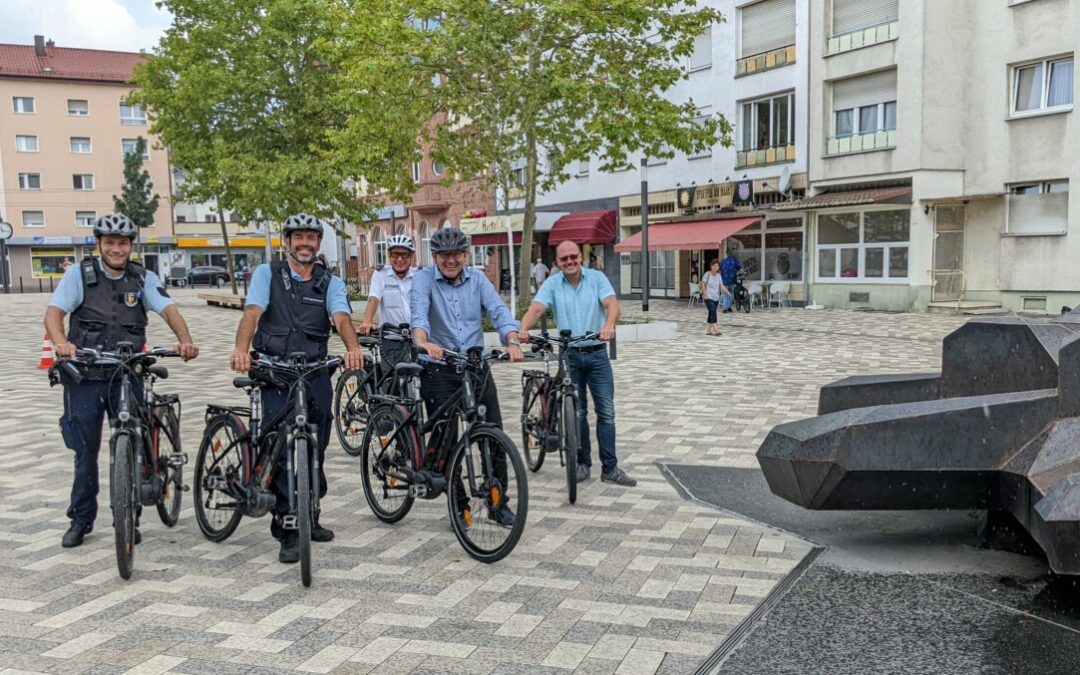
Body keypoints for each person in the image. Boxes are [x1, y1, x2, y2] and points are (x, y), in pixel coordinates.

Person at [45, 213, 200, 548]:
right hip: (86, 373)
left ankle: (127, 517)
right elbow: (54, 313)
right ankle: (81, 519)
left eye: (123, 243)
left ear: (131, 246)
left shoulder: (142, 277)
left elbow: (168, 309)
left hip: (127, 372)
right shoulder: (79, 275)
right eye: (110, 242)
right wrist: (62, 344)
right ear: (99, 244)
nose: (117, 249)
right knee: (85, 451)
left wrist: (185, 339)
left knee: (132, 443)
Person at [230, 213, 364, 563]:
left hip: (315, 371)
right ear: (287, 241)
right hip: (276, 372)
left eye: (311, 238)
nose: (305, 244)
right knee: (283, 449)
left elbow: (341, 318)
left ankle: (311, 514)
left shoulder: (329, 281)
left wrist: (352, 348)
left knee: (315, 448)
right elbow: (252, 313)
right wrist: (242, 350)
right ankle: (288, 529)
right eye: (298, 237)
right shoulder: (267, 274)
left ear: (318, 243)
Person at [409, 227, 525, 526]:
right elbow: (419, 313)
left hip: (475, 367)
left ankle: (498, 502)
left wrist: (511, 339)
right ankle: (460, 508)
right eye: (445, 255)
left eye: (457, 254)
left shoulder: (478, 279)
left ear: (465, 254)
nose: (451, 260)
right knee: (447, 441)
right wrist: (422, 341)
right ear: (435, 256)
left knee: (493, 435)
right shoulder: (423, 280)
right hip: (439, 367)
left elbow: (497, 310)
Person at [519, 240, 636, 487]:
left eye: (574, 257)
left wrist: (609, 325)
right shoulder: (552, 284)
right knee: (578, 411)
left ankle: (610, 468)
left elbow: (612, 304)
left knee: (606, 411)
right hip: (570, 355)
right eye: (564, 259)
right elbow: (537, 308)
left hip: (597, 355)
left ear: (580, 257)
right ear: (558, 263)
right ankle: (583, 464)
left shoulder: (596, 279)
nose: (570, 262)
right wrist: (523, 328)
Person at [360, 233, 417, 367]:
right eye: (395, 255)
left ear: (412, 257)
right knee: (392, 383)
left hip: (416, 339)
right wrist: (367, 321)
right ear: (389, 256)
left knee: (421, 382)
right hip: (391, 340)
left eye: (405, 255)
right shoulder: (381, 275)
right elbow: (374, 298)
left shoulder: (419, 276)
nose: (400, 259)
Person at [700, 259, 732, 336]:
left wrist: (728, 292)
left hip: (716, 297)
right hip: (708, 296)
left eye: (717, 266)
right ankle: (715, 329)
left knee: (711, 312)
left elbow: (721, 285)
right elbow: (703, 284)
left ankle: (708, 330)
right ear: (711, 266)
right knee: (712, 310)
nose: (716, 267)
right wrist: (705, 293)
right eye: (714, 265)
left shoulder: (719, 276)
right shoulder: (707, 274)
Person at [720, 249, 741, 314]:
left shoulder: (723, 261)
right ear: (732, 253)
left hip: (724, 280)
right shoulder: (734, 260)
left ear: (726, 253)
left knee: (726, 293)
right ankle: (727, 307)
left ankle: (726, 307)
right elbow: (739, 268)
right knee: (731, 293)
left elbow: (720, 269)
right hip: (732, 279)